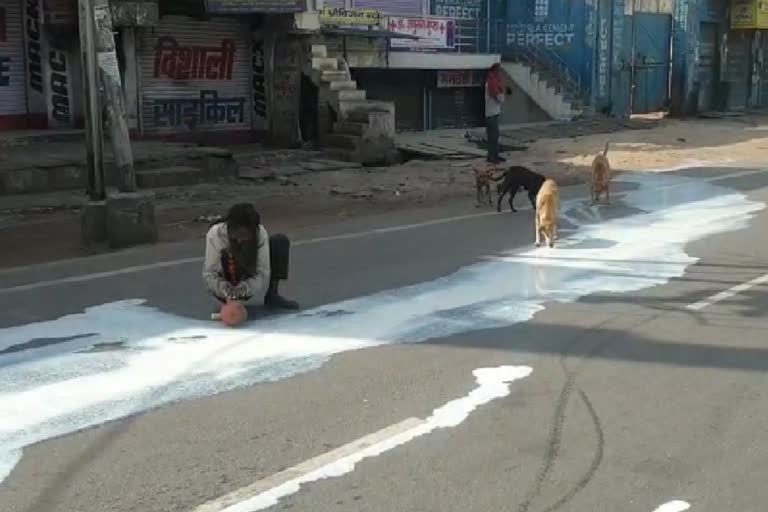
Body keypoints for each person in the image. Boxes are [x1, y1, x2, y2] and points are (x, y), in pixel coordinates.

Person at [203, 203, 299, 310]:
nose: (240, 240)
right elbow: (210, 273)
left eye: (245, 236)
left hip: (247, 278)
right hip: (225, 283)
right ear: (230, 228)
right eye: (237, 235)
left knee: (279, 241)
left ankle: (273, 295)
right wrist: (225, 289)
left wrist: (245, 288)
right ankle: (229, 302)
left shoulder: (260, 233)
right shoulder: (216, 234)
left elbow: (262, 272)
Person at [485, 63, 509, 164]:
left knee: (494, 136)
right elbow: (499, 98)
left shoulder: (491, 81)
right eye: (499, 71)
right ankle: (492, 157)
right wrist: (503, 93)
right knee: (493, 136)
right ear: (495, 71)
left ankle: (495, 155)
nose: (500, 73)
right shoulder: (492, 83)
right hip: (490, 114)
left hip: (492, 112)